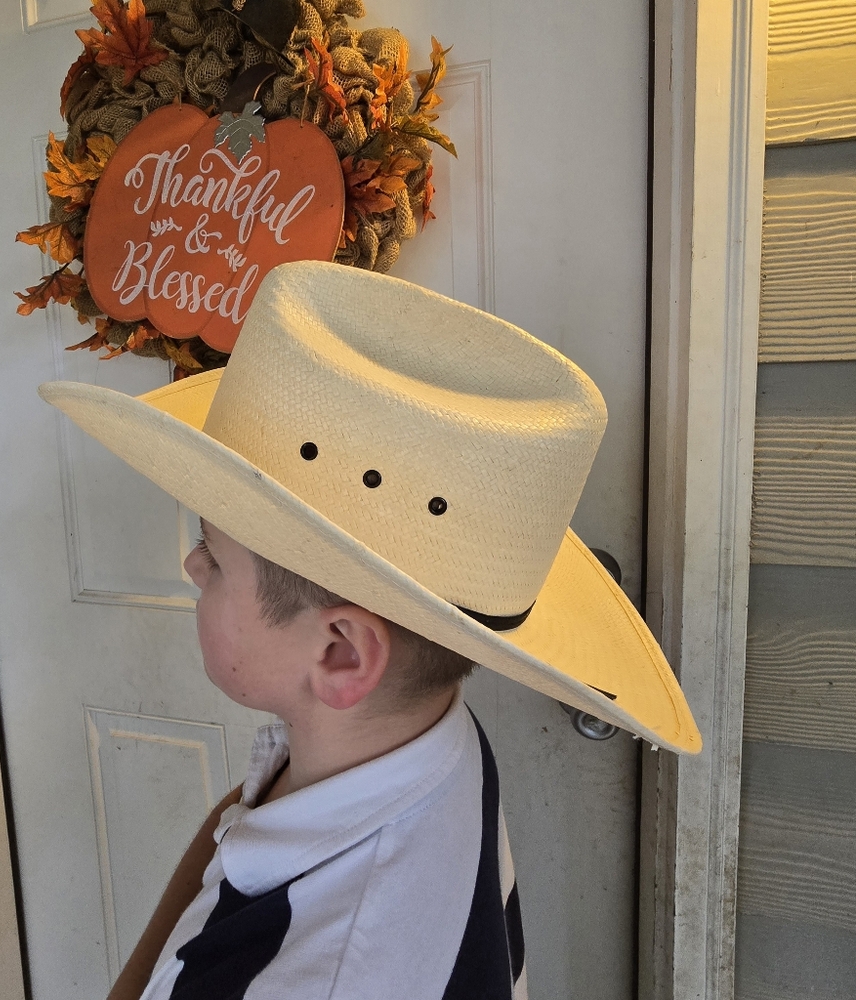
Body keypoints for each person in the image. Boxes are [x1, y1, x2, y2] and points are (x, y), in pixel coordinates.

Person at [40, 260, 701, 1000]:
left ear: (341, 653)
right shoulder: (423, 747)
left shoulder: (328, 977)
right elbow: (242, 827)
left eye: (215, 557)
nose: (193, 565)